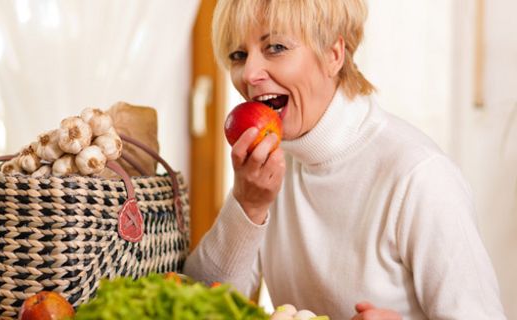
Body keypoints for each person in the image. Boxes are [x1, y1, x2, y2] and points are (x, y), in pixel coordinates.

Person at [183, 0, 507, 319]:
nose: (250, 73)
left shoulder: (419, 175)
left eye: (276, 47)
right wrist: (247, 206)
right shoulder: (268, 172)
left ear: (333, 55)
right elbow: (196, 305)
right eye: (238, 55)